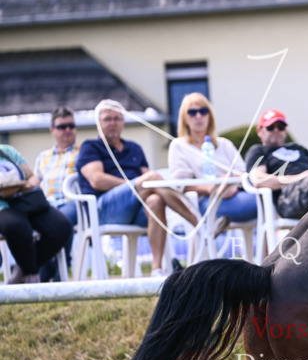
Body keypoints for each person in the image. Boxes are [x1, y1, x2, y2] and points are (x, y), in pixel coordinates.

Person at [76, 99, 199, 277]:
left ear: (123, 122)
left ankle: (157, 270)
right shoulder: (90, 147)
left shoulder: (134, 148)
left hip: (135, 210)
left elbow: (152, 184)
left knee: (155, 199)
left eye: (117, 119)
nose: (113, 123)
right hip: (103, 211)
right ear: (98, 123)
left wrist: (141, 186)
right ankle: (197, 222)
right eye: (107, 119)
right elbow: (96, 180)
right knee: (151, 180)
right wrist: (136, 185)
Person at [168, 93, 257, 230]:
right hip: (204, 201)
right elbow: (180, 184)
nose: (198, 116)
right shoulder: (178, 146)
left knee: (267, 198)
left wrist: (229, 184)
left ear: (210, 116)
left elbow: (243, 173)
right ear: (184, 119)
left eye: (203, 111)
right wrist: (212, 188)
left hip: (235, 195)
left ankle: (270, 249)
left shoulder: (224, 144)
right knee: (265, 202)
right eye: (192, 112)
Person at [0, 142, 72, 284]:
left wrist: (23, 185)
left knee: (61, 226)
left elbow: (32, 177)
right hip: (3, 207)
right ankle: (31, 275)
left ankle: (23, 270)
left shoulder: (7, 151)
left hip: (25, 201)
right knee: (18, 226)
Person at [33, 107, 80, 281]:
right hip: (46, 205)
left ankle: (59, 269)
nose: (68, 130)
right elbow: (35, 183)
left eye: (71, 125)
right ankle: (46, 266)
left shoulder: (83, 153)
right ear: (52, 130)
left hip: (72, 203)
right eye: (62, 126)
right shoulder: (43, 157)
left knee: (62, 220)